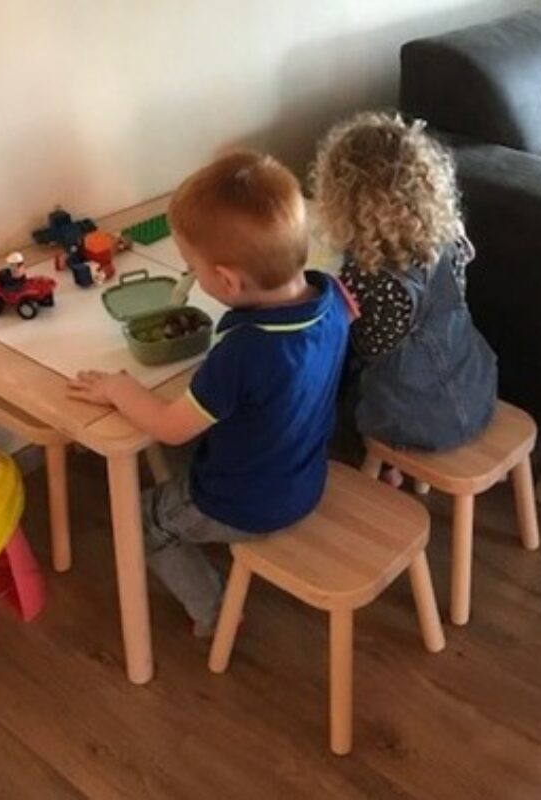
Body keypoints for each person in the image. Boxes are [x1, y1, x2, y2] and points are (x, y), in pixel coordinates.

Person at [68, 151, 351, 636]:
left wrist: (118, 387)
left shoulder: (245, 352)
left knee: (139, 520)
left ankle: (215, 609)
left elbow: (170, 429)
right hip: (305, 475)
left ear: (227, 280)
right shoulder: (333, 300)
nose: (190, 276)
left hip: (247, 502)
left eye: (192, 267)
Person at [312, 111, 497, 487]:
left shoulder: (372, 279)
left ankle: (388, 465)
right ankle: (395, 462)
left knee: (334, 386)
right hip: (474, 385)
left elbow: (369, 348)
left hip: (419, 415)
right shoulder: (449, 237)